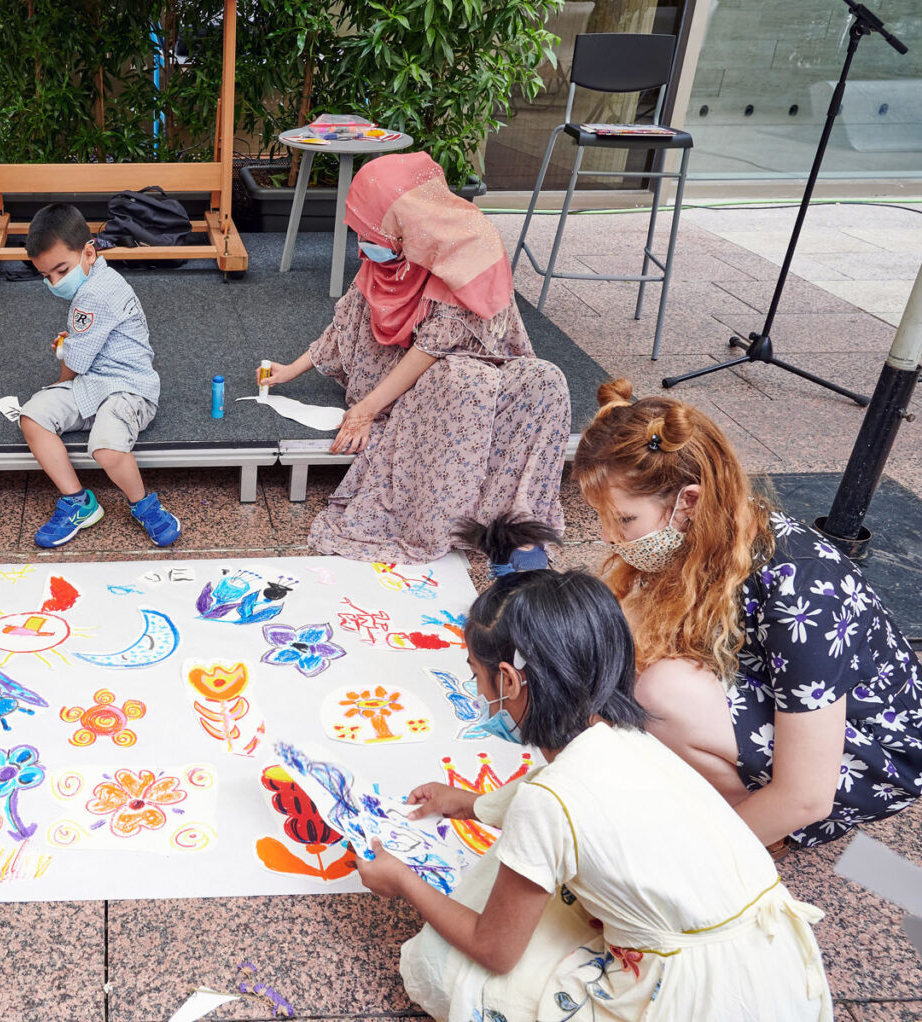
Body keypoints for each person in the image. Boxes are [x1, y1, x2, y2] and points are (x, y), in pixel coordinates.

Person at [357, 569, 832, 1021]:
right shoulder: (632, 739)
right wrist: (468, 804)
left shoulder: (548, 801)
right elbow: (574, 792)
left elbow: (495, 949)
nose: (476, 691)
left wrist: (404, 881)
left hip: (699, 1000)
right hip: (779, 975)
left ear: (509, 680)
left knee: (444, 965)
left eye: (476, 675)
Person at [573, 379, 922, 852]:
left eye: (623, 519)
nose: (608, 536)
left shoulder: (803, 588)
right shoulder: (708, 532)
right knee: (625, 654)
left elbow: (807, 793)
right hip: (787, 701)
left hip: (863, 755)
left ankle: (757, 830)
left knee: (661, 692)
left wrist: (690, 868)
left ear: (689, 501)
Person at [257, 152, 569, 564]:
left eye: (369, 230)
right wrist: (292, 369)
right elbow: (349, 319)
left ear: (404, 225)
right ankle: (442, 521)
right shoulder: (391, 253)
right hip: (440, 385)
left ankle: (520, 526)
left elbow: (432, 348)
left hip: (478, 368)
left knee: (547, 380)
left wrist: (366, 411)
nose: (362, 243)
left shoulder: (467, 248)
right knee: (464, 382)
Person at [19, 203, 181, 548]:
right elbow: (85, 343)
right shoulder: (99, 279)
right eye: (46, 275)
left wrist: (62, 382)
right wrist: (71, 347)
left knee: (105, 449)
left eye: (61, 270)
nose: (55, 282)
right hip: (95, 382)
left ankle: (144, 505)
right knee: (32, 417)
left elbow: (75, 362)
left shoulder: (93, 295)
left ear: (89, 252)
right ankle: (78, 503)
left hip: (129, 389)